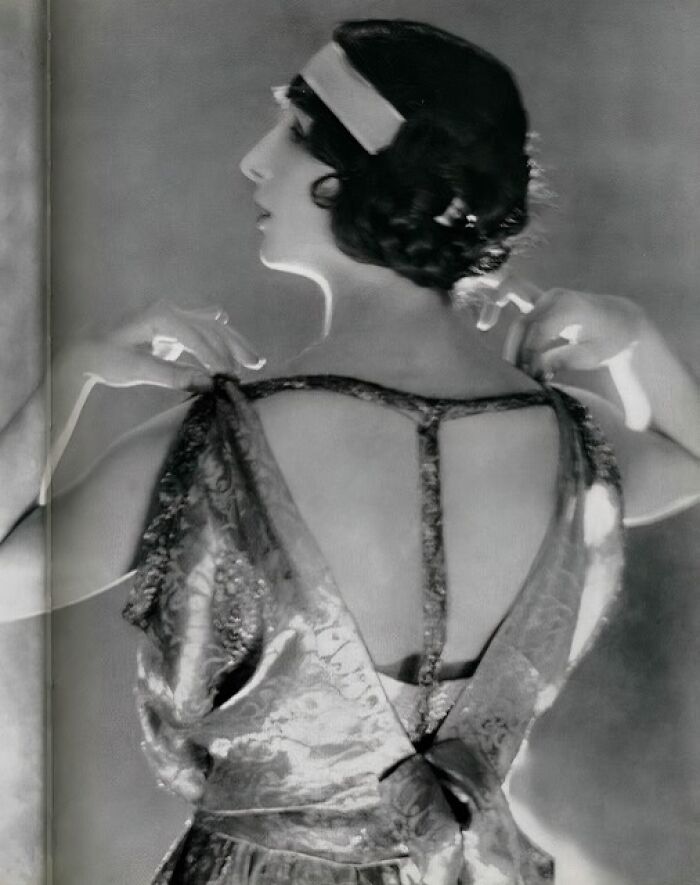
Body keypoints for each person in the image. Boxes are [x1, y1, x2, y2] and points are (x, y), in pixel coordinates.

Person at [1, 18, 698, 884]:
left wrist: (73, 376)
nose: (257, 160)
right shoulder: (574, 444)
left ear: (353, 175)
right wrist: (634, 340)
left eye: (293, 128)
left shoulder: (217, 447)